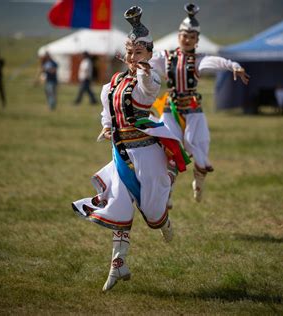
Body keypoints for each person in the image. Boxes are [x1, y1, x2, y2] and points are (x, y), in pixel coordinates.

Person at [71, 6, 188, 292]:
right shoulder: (111, 84)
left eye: (139, 52)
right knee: (120, 206)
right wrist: (107, 126)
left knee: (152, 211)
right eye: (130, 52)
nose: (133, 57)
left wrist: (145, 72)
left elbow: (149, 91)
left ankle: (165, 200)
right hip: (121, 151)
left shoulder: (149, 79)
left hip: (147, 151)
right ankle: (118, 264)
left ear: (148, 53)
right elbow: (107, 113)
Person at [149, 3, 249, 202]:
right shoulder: (166, 58)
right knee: (170, 148)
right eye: (184, 36)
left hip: (193, 110)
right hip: (171, 109)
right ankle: (167, 194)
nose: (187, 39)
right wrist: (136, 64)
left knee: (199, 148)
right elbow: (147, 61)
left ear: (196, 40)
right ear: (179, 36)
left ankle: (199, 183)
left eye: (191, 37)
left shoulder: (199, 60)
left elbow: (219, 61)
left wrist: (235, 67)